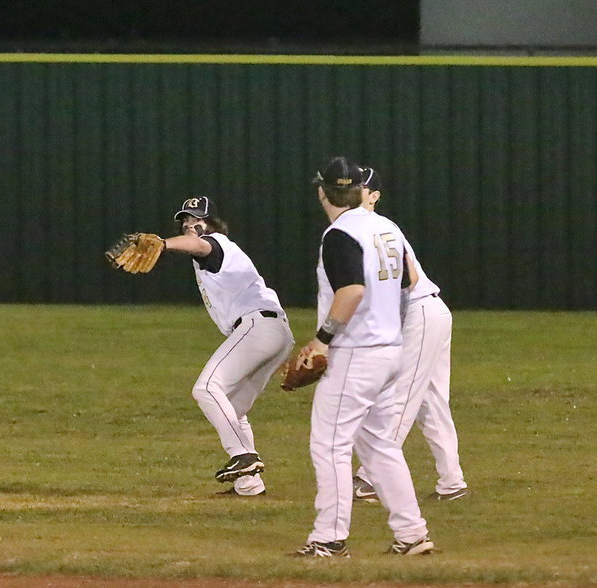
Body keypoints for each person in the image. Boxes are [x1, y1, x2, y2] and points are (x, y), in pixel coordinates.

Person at [291, 157, 433, 558]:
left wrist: (321, 341)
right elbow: (409, 282)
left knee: (330, 444)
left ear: (322, 192)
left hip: (357, 352)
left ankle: (329, 538)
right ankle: (412, 534)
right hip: (389, 351)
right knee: (378, 444)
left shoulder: (340, 234)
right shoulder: (386, 225)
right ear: (358, 191)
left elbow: (351, 292)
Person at [352, 167, 469, 503]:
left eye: (362, 187)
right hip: (428, 311)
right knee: (431, 402)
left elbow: (410, 278)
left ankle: (371, 476)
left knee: (401, 396)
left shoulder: (374, 226)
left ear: (374, 196)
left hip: (419, 312)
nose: (356, 191)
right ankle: (452, 482)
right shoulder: (369, 226)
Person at [164, 196, 294, 495]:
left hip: (258, 326)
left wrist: (162, 243)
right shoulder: (214, 255)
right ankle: (249, 485)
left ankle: (243, 456)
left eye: (195, 219)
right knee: (232, 409)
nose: (188, 225)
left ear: (209, 223)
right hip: (275, 330)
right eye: (184, 221)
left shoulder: (216, 243)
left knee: (207, 388)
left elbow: (199, 245)